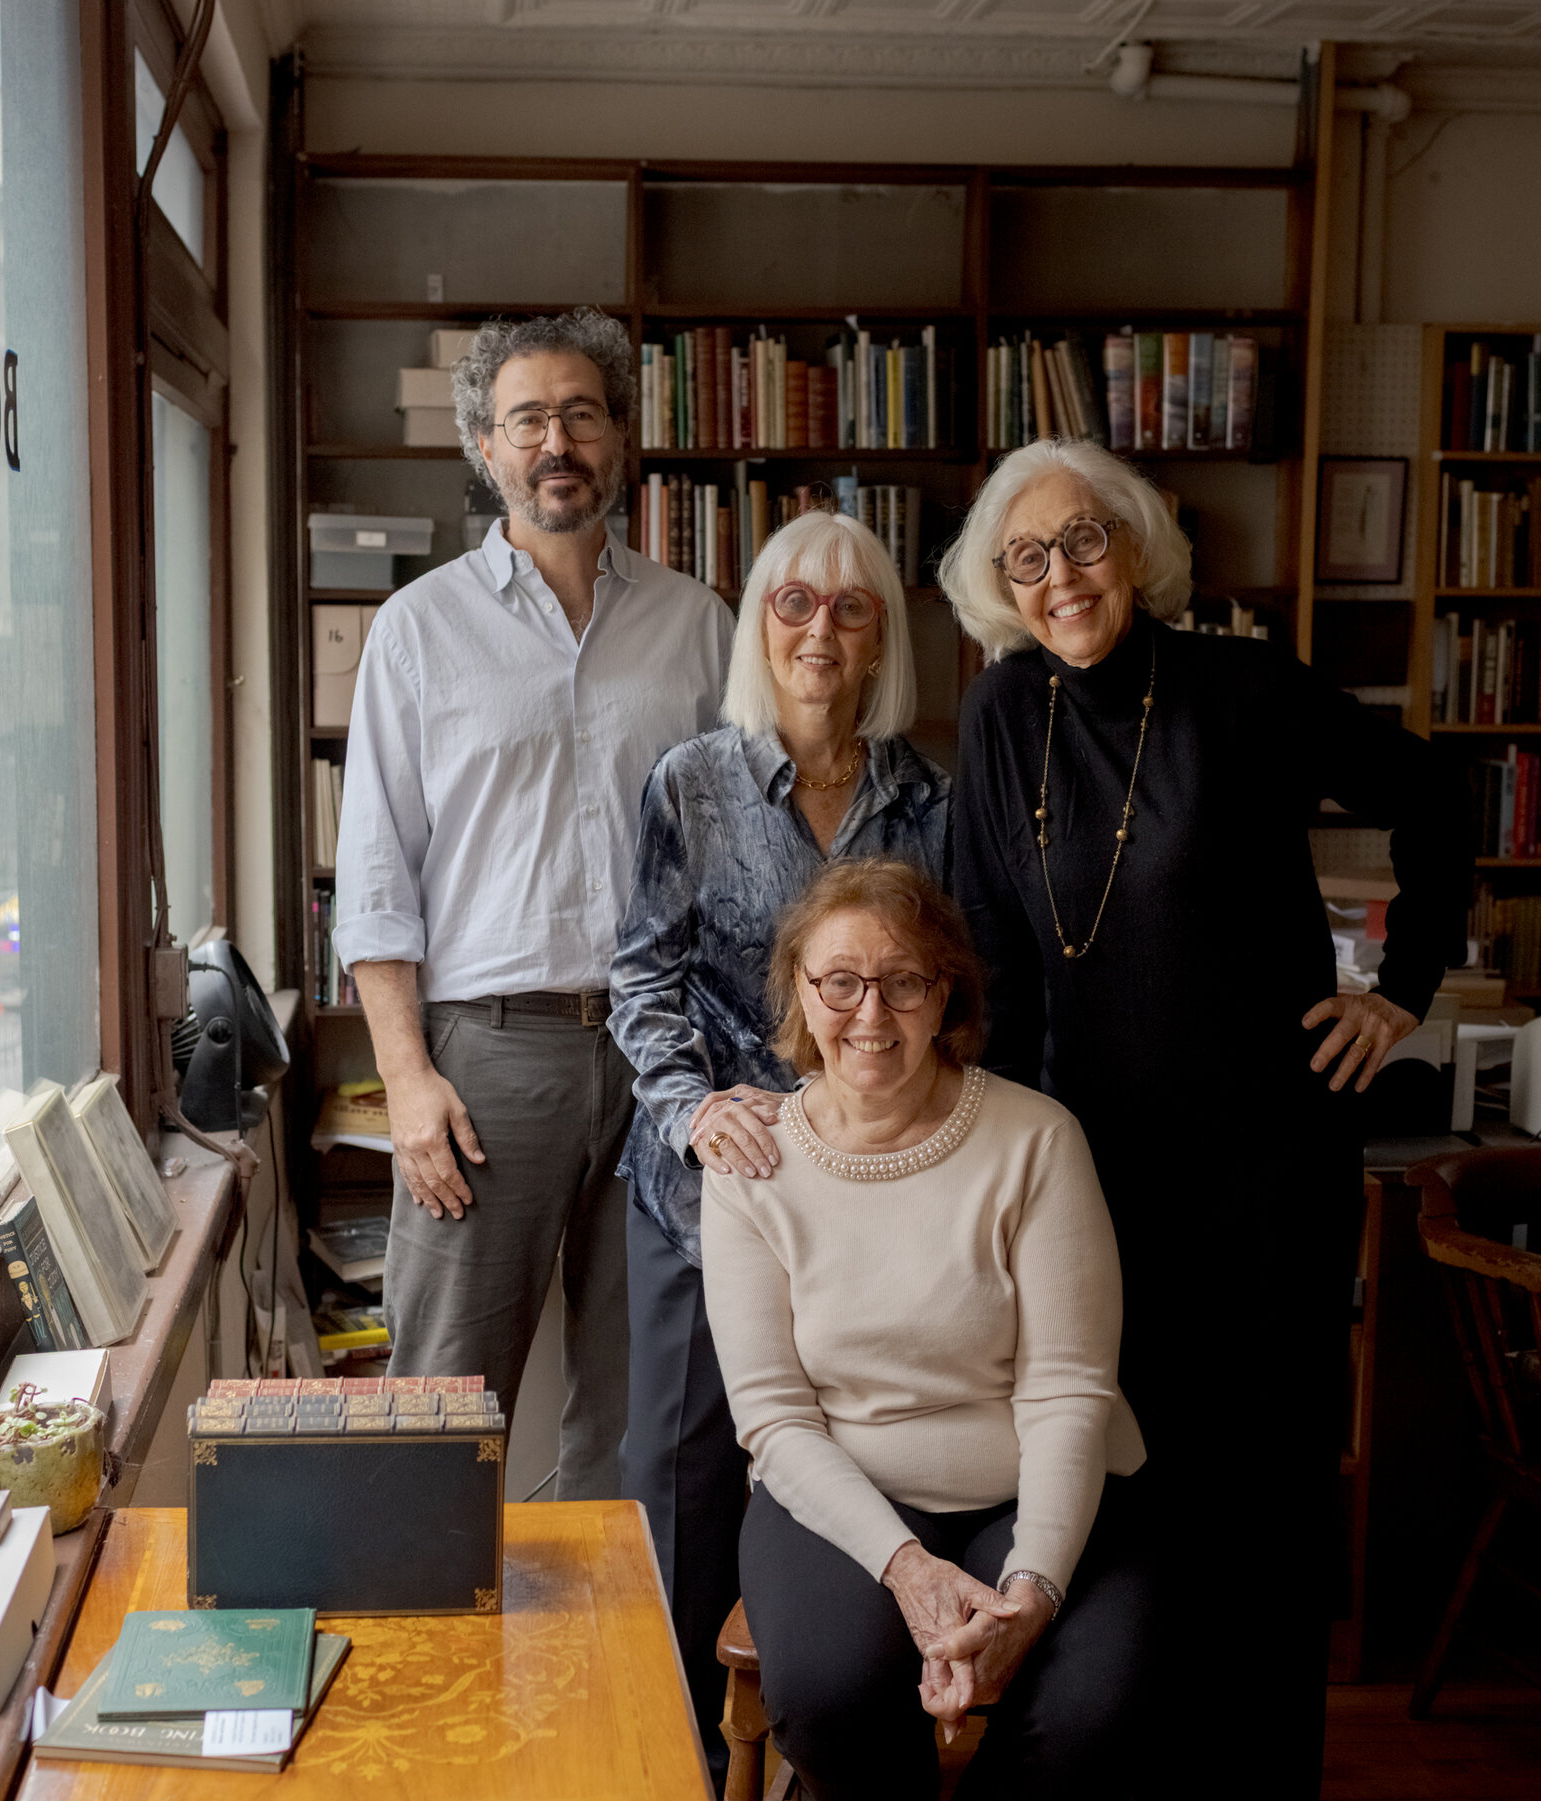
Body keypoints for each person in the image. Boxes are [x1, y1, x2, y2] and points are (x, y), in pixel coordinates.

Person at [939, 437, 1472, 1798]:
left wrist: (1399, 993)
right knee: (1113, 1496)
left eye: (1086, 541)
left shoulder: (1237, 687)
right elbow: (985, 957)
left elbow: (1434, 797)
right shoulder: (1004, 714)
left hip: (1262, 1183)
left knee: (1262, 1504)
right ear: (1003, 584)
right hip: (1082, 1183)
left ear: (1136, 547)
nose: (1062, 576)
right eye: (1029, 556)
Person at [333, 308, 732, 1498]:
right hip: (487, 1062)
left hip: (663, 1056)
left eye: (581, 414)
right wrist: (407, 1080)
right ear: (484, 447)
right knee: (445, 1400)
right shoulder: (416, 632)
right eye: (527, 420)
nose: (556, 441)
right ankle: (435, 1673)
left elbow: (734, 853)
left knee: (636, 1407)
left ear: (619, 441)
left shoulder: (698, 626)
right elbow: (376, 880)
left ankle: (600, 1678)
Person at [606, 507, 949, 1771]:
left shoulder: (929, 802)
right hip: (704, 1194)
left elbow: (945, 999)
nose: (819, 628)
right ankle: (674, 1752)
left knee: (856, 1453)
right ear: (760, 625)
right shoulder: (691, 781)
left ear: (879, 640)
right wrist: (695, 1109)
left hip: (865, 1199)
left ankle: (840, 1725)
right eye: (793, 603)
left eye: (850, 608)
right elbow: (639, 982)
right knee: (681, 1479)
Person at [702, 858, 1152, 1800]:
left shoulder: (1038, 1140)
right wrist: (907, 1569)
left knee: (1093, 1711)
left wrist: (1029, 1591)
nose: (871, 1013)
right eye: (840, 982)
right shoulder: (750, 1159)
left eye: (904, 980)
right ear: (799, 992)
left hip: (1030, 1491)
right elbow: (775, 1417)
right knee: (830, 1693)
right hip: (841, 1498)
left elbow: (1070, 1390)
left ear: (944, 993)